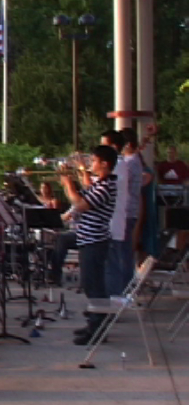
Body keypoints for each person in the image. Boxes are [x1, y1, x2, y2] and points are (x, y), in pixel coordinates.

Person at [59, 145, 117, 345]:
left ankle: (98, 329)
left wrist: (67, 184)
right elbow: (87, 189)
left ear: (104, 164)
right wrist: (82, 170)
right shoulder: (101, 183)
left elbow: (81, 204)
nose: (92, 164)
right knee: (90, 285)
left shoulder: (106, 186)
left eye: (94, 161)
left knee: (94, 287)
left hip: (95, 241)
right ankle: (93, 323)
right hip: (89, 240)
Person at [100, 130, 129, 297]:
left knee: (112, 267)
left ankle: (114, 301)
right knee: (108, 266)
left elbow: (102, 186)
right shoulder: (116, 164)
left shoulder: (119, 164)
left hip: (112, 223)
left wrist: (83, 172)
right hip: (107, 223)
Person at [120, 128, 143, 290]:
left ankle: (124, 287)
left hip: (127, 211)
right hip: (129, 210)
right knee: (125, 252)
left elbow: (119, 185)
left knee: (123, 254)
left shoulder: (130, 162)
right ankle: (126, 285)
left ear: (127, 144)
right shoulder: (132, 161)